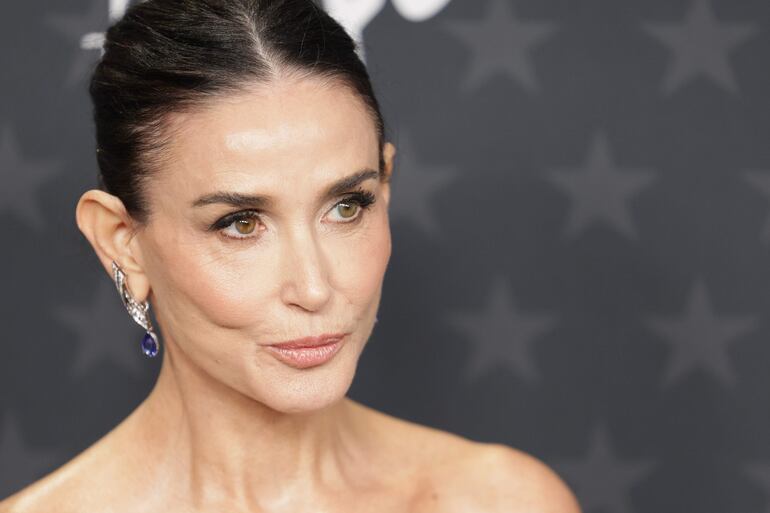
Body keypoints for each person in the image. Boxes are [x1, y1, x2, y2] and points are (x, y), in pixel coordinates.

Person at [0, 0, 581, 511]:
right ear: (122, 242)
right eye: (240, 223)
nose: (314, 287)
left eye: (347, 207)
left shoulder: (504, 502)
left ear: (385, 185)